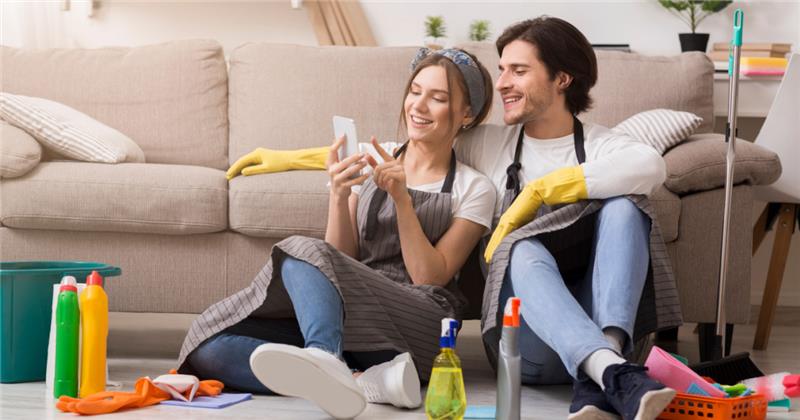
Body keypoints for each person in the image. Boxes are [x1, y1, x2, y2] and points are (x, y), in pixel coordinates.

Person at [176, 48, 497, 419]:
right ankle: (355, 379)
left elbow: (430, 276)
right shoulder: (372, 157)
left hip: (421, 323)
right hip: (352, 312)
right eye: (415, 91)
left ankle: (326, 358)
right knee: (209, 347)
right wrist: (339, 195)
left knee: (299, 247)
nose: (418, 106)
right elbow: (337, 259)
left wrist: (402, 200)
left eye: (437, 98)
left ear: (467, 113)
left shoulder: (475, 188)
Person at [455, 17, 682, 420]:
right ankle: (613, 372)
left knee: (625, 207)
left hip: (610, 334)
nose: (502, 83)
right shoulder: (485, 144)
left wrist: (543, 189)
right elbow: (417, 151)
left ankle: (602, 367)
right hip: (527, 349)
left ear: (562, 78)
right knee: (521, 247)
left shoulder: (602, 145)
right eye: (502, 69)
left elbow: (652, 166)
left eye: (518, 71)